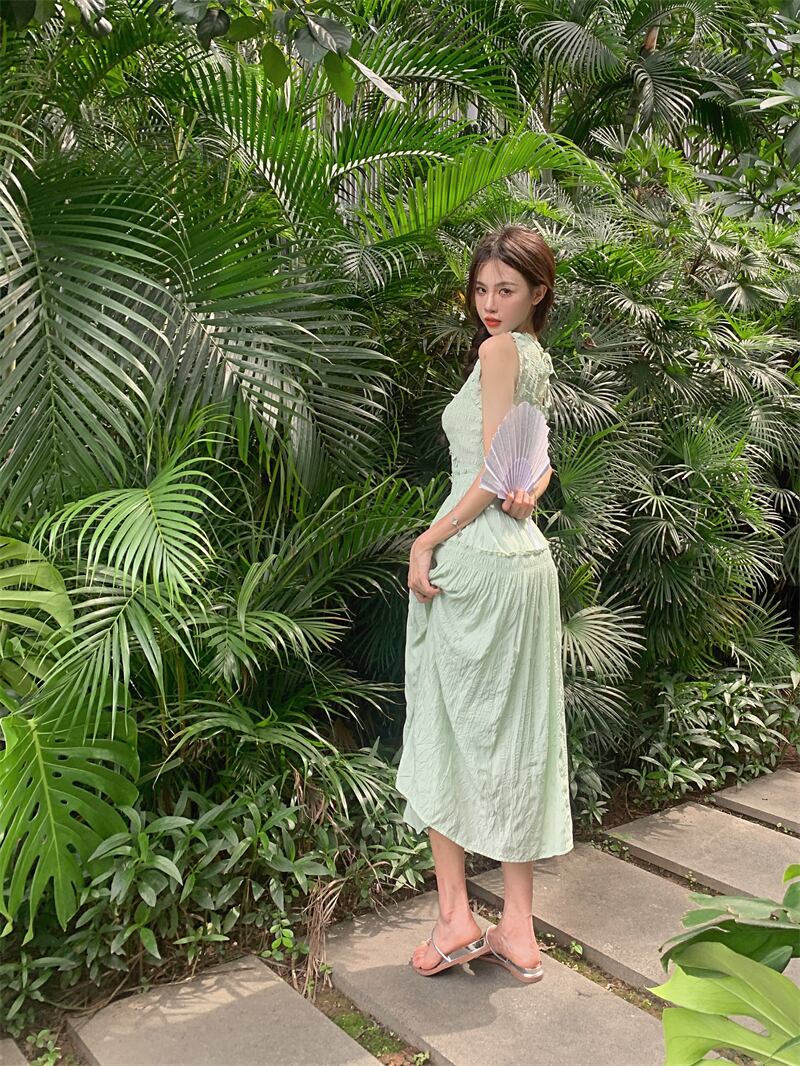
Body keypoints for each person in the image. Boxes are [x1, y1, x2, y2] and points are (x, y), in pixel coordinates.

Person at [395, 223, 574, 983]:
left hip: (476, 559)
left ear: (538, 291)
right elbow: (531, 463)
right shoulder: (535, 356)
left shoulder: (499, 352)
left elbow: (497, 466)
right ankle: (519, 932)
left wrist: (427, 539)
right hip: (526, 563)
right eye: (481, 289)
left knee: (443, 726)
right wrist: (532, 486)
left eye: (506, 288)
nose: (489, 303)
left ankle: (455, 918)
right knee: (520, 734)